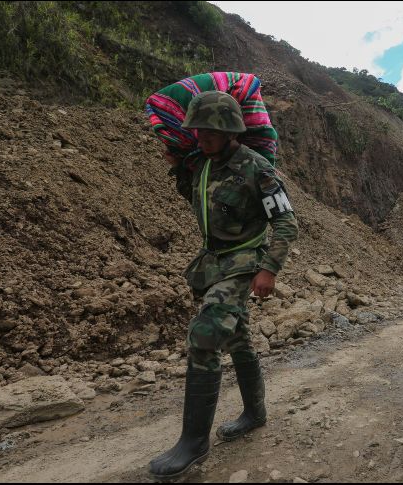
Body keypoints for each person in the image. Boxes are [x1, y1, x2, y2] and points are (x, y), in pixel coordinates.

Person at [149, 91, 299, 478]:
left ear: (231, 130)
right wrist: (178, 167)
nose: (202, 137)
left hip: (243, 261)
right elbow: (197, 198)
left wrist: (269, 269)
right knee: (238, 338)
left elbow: (285, 222)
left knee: (205, 334)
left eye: (211, 132)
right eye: (198, 131)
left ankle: (193, 443)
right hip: (212, 262)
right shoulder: (201, 163)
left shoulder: (257, 168)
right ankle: (255, 412)